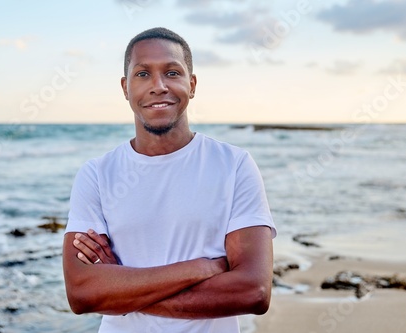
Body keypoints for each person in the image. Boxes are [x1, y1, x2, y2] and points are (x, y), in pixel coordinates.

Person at [63, 27, 276, 333]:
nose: (158, 86)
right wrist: (202, 267)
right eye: (142, 74)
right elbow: (82, 294)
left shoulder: (234, 165)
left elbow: (253, 291)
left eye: (172, 72)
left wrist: (118, 289)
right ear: (125, 88)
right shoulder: (96, 174)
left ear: (191, 84)